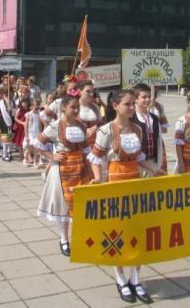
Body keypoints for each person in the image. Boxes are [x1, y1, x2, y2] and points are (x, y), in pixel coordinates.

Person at [89, 89, 166, 303]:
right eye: (128, 104)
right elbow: (95, 158)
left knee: (138, 231)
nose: (132, 108)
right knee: (117, 234)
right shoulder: (106, 130)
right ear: (115, 106)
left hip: (135, 183)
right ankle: (121, 278)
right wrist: (97, 179)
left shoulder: (138, 130)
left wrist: (157, 170)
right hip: (115, 183)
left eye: (133, 104)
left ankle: (136, 277)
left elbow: (141, 158)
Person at [33, 95, 94, 257]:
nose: (75, 110)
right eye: (72, 107)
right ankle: (64, 239)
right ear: (63, 108)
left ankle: (79, 238)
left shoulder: (81, 126)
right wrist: (52, 157)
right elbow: (37, 143)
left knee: (79, 207)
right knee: (63, 207)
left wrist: (91, 172)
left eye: (77, 108)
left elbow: (87, 151)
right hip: (61, 171)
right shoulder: (55, 126)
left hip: (79, 169)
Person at [131, 83, 166, 175]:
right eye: (144, 97)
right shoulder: (132, 118)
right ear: (136, 99)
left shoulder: (153, 117)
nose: (147, 99)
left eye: (149, 96)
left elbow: (159, 138)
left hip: (153, 161)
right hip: (138, 163)